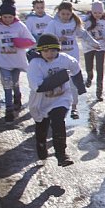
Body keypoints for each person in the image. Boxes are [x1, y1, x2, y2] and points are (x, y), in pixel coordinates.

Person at [27, 33, 82, 166]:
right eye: (46, 51)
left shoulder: (64, 59)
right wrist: (61, 77)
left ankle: (61, 155)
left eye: (53, 50)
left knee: (58, 122)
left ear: (58, 49)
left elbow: (76, 69)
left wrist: (80, 87)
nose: (50, 54)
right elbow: (38, 86)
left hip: (61, 99)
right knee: (42, 126)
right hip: (41, 101)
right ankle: (41, 145)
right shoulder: (36, 64)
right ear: (40, 51)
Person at [44, 1, 99, 119]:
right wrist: (58, 39)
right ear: (58, 13)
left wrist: (94, 43)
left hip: (72, 56)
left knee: (72, 82)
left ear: (71, 13)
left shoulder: (75, 23)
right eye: (63, 14)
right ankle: (54, 107)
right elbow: (46, 39)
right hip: (56, 57)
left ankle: (74, 107)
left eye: (68, 14)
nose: (65, 17)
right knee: (57, 82)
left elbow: (83, 34)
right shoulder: (53, 24)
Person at [0, 0, 36, 121]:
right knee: (7, 84)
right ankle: (9, 109)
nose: (7, 19)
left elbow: (32, 41)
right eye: (5, 17)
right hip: (3, 61)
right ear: (1, 16)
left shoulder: (19, 26)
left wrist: (19, 42)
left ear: (14, 16)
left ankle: (17, 97)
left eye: (10, 17)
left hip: (17, 61)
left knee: (15, 83)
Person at [82, 1, 105, 101]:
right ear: (92, 12)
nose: (97, 15)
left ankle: (99, 92)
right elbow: (80, 30)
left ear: (103, 12)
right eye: (95, 13)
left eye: (99, 13)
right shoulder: (86, 20)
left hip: (101, 47)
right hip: (88, 47)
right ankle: (89, 77)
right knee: (89, 66)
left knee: (100, 69)